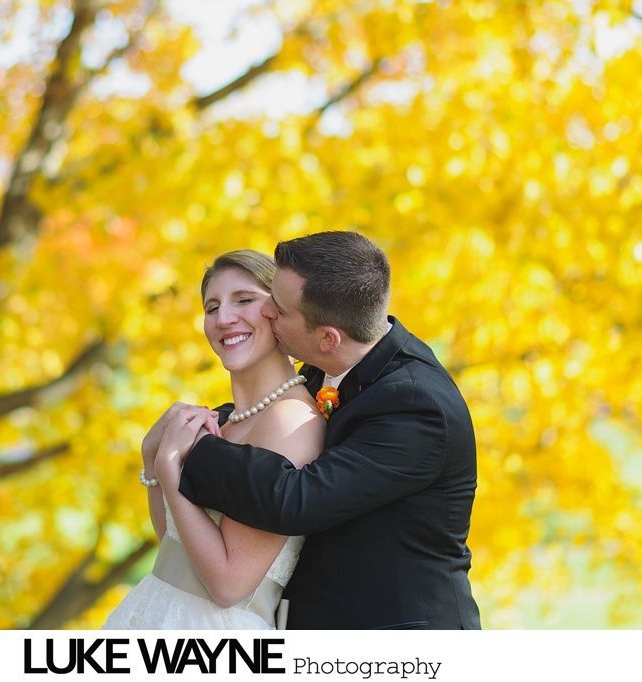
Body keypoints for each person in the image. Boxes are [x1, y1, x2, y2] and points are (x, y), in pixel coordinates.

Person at [175, 230, 481, 629]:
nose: (267, 312)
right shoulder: (331, 364)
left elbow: (294, 499)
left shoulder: (417, 407)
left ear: (327, 338)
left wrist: (189, 448)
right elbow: (269, 408)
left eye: (279, 309)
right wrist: (215, 419)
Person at [102, 249, 325, 629]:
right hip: (154, 612)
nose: (223, 319)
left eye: (244, 300)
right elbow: (175, 548)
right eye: (212, 307)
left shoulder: (290, 420)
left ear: (279, 311)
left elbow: (228, 585)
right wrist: (152, 456)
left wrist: (170, 470)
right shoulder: (225, 421)